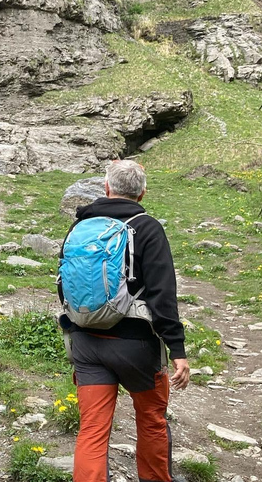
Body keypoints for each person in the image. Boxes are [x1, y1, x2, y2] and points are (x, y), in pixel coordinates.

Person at [58, 160, 189, 482]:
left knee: (91, 430)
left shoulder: (79, 227)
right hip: (136, 345)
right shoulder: (147, 227)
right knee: (151, 421)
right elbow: (162, 293)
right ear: (142, 192)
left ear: (106, 187)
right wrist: (177, 349)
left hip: (86, 342)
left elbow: (64, 283)